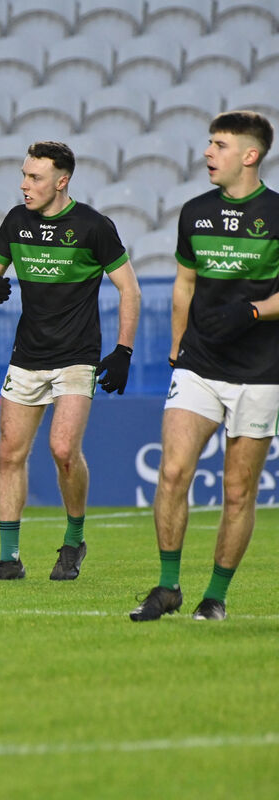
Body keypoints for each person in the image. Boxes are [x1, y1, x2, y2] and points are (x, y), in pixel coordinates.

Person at [130, 110, 279, 622]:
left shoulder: (278, 214)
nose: (208, 153)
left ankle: (214, 596)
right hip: (199, 363)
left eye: (219, 145)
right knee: (172, 472)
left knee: (238, 491)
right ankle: (168, 586)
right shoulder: (194, 211)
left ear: (250, 155)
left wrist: (255, 311)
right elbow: (184, 285)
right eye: (209, 144)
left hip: (262, 371)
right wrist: (177, 354)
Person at [0, 141, 141, 582]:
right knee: (10, 453)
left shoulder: (93, 227)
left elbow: (130, 289)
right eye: (24, 176)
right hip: (26, 356)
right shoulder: (16, 220)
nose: (25, 185)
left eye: (35, 177)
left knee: (64, 450)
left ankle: (73, 541)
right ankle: (10, 557)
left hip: (76, 358)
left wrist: (123, 351)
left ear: (61, 181)